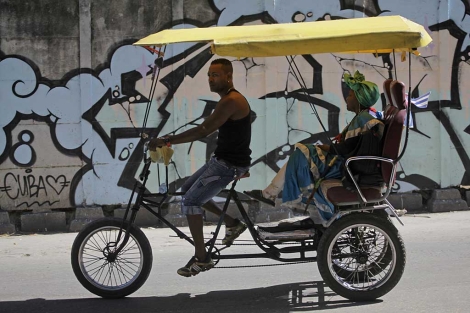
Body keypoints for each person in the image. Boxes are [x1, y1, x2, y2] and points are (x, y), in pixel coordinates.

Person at [148, 58, 252, 277]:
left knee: (191, 201)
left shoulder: (231, 100)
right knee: (187, 191)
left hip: (228, 165)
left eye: (215, 75)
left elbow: (203, 130)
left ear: (228, 77)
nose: (210, 79)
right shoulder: (227, 99)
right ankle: (233, 224)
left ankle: (202, 257)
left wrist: (167, 140)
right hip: (221, 160)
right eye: (208, 75)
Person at [245, 70, 384, 224]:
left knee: (301, 152)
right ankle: (273, 194)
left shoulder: (364, 119)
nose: (347, 98)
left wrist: (326, 148)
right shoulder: (364, 117)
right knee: (303, 152)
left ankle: (274, 194)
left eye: (350, 95)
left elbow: (345, 149)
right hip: (345, 164)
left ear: (359, 98)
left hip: (344, 167)